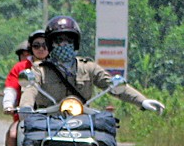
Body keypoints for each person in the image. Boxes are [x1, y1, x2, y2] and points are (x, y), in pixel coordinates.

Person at [19, 15, 165, 113]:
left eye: (68, 40)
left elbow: (112, 85)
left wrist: (142, 101)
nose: (64, 45)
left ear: (75, 43)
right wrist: (26, 108)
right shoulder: (40, 70)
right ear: (51, 44)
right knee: (28, 142)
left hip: (82, 121)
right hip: (47, 120)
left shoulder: (89, 68)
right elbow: (30, 89)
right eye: (58, 41)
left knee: (103, 142)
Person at [2, 29, 49, 146]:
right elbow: (11, 88)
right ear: (31, 48)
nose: (41, 49)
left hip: (53, 116)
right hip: (26, 116)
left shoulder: (57, 65)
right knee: (13, 135)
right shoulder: (22, 68)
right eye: (36, 45)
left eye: (45, 45)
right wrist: (8, 104)